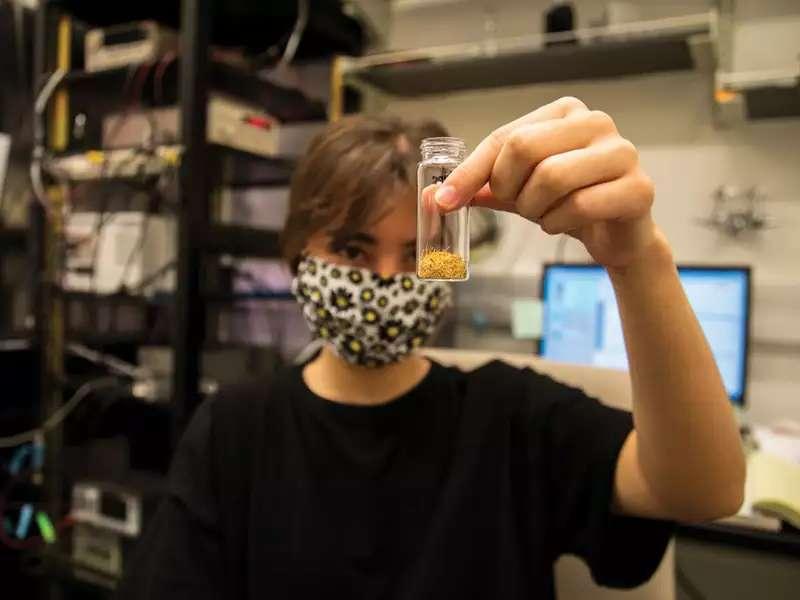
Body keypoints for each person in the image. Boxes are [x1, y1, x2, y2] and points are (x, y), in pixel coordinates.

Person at [117, 98, 745, 599]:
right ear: (297, 253)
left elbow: (701, 491)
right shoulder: (235, 429)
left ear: (447, 262)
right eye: (354, 250)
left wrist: (639, 260)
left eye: (419, 254)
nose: (388, 279)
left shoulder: (512, 417)